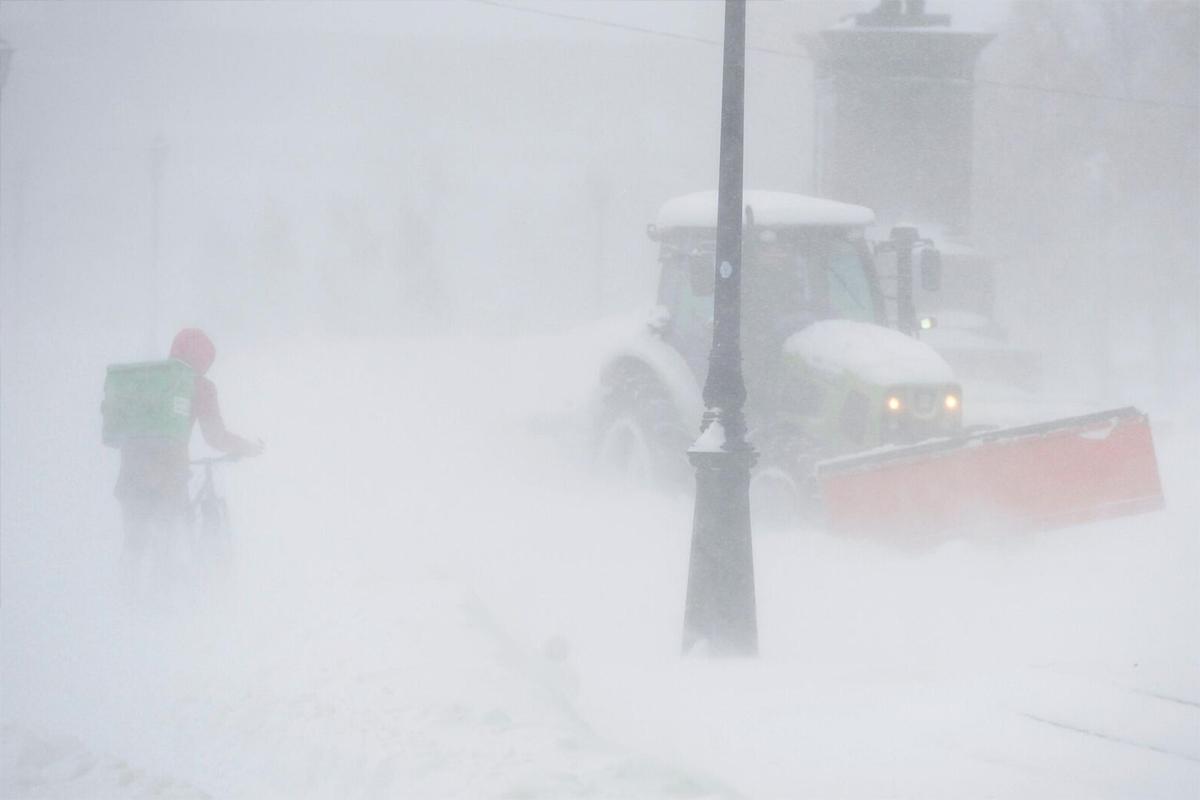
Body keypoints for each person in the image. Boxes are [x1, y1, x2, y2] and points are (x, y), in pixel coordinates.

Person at [115, 328, 262, 589]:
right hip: (169, 478)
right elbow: (216, 437)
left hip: (131, 473)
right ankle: (166, 604)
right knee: (166, 540)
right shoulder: (200, 387)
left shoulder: (146, 378)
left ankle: (125, 603)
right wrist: (247, 448)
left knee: (133, 542)